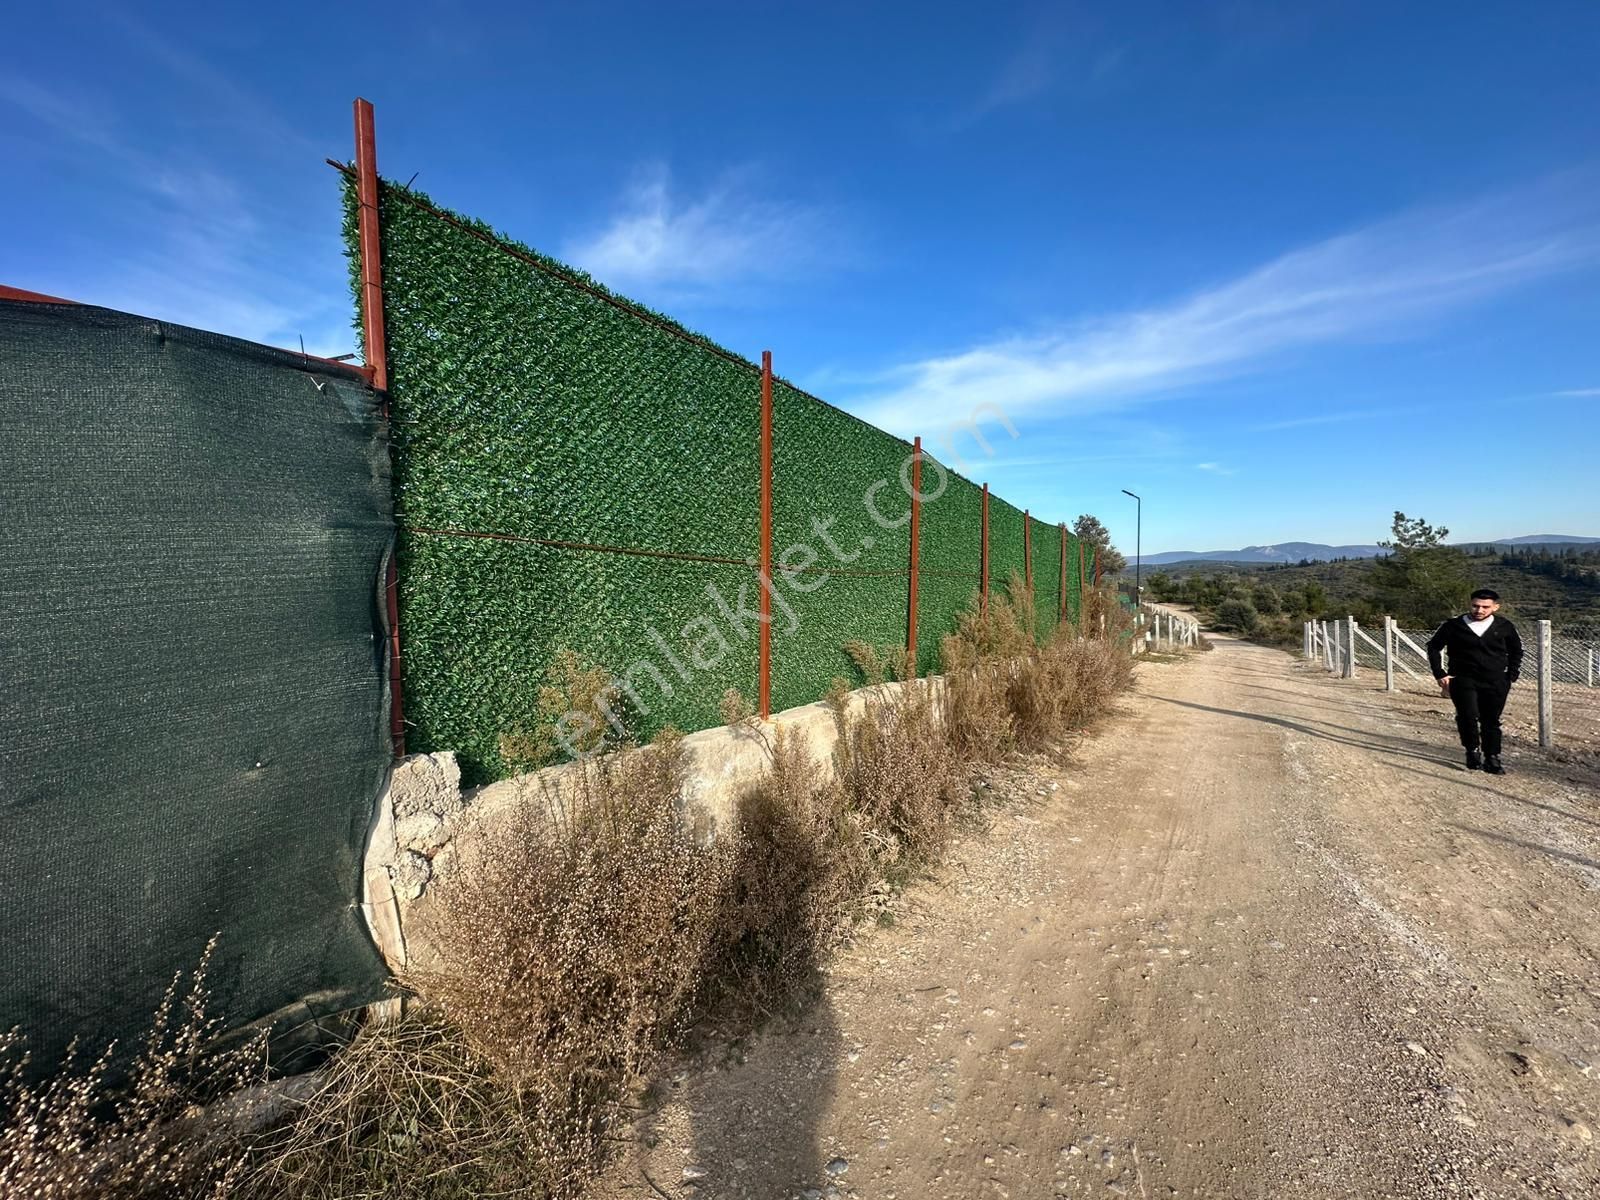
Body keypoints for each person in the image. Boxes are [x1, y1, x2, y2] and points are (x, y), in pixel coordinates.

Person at [1426, 589, 1523, 774]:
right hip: (1462, 679)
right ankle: (1472, 751)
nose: (1479, 610)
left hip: (1495, 681)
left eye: (1485, 607)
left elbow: (1516, 650)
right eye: (1475, 605)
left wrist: (1511, 675)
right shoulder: (1453, 625)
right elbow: (1433, 647)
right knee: (1467, 716)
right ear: (1470, 604)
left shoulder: (1504, 626)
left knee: (1491, 720)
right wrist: (1440, 674)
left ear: (1495, 607)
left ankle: (1492, 757)